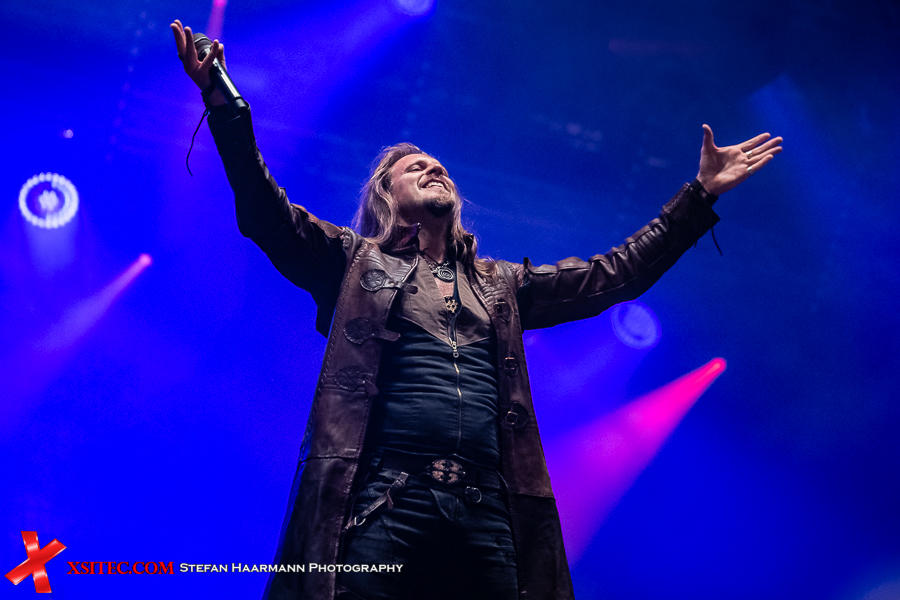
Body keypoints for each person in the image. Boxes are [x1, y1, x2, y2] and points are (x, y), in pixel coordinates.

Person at [171, 20, 782, 600]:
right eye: (415, 168)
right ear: (386, 195)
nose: (435, 168)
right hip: (386, 502)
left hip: (487, 514)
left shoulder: (502, 284)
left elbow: (614, 275)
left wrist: (699, 195)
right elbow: (265, 209)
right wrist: (223, 98)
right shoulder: (352, 261)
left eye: (439, 167)